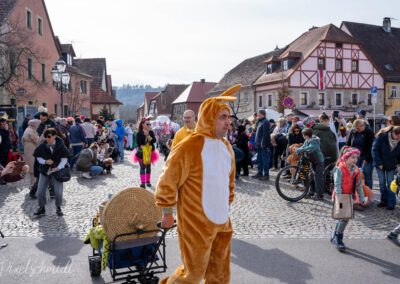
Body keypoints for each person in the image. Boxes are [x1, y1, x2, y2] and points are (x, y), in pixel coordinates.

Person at [155, 84, 240, 283]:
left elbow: (229, 181)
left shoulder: (227, 147)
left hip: (222, 222)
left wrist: (227, 203)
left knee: (219, 275)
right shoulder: (189, 147)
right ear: (210, 118)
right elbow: (167, 181)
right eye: (222, 117)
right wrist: (167, 212)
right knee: (192, 274)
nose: (228, 122)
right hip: (196, 222)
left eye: (229, 117)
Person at [330, 146, 366, 252]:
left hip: (349, 196)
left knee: (344, 218)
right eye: (352, 157)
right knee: (344, 218)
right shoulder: (339, 169)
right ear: (346, 158)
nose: (355, 159)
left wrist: (362, 198)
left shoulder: (357, 170)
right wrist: (339, 198)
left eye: (356, 157)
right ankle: (338, 238)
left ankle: (335, 236)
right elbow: (337, 185)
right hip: (341, 196)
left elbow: (359, 185)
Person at [33, 128, 70, 217]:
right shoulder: (42, 146)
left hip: (57, 171)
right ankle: (41, 208)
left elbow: (64, 159)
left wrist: (58, 168)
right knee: (40, 192)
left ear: (54, 136)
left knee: (58, 192)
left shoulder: (61, 146)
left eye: (49, 136)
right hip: (45, 171)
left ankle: (58, 207)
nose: (47, 138)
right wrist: (45, 162)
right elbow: (38, 157)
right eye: (46, 136)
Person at [372, 125, 400, 210]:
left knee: (391, 183)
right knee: (382, 183)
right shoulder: (382, 137)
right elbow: (375, 150)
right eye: (398, 136)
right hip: (380, 163)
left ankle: (391, 202)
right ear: (393, 133)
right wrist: (379, 163)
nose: (399, 138)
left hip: (391, 165)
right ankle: (383, 201)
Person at [296, 128, 325, 200]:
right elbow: (304, 146)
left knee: (318, 177)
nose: (302, 136)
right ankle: (311, 192)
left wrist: (300, 149)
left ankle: (320, 195)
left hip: (318, 161)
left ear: (306, 135)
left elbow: (311, 148)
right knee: (311, 177)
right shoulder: (307, 140)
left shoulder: (314, 141)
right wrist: (299, 149)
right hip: (312, 161)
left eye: (303, 135)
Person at [346, 119, 374, 189]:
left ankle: (368, 194)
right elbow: (348, 144)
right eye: (355, 128)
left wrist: (365, 158)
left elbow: (370, 146)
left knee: (367, 176)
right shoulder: (353, 131)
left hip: (367, 158)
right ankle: (356, 194)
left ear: (363, 126)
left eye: (358, 128)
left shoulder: (369, 132)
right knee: (355, 176)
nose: (356, 130)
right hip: (354, 157)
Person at [134, 118, 157, 188]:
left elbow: (154, 141)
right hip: (142, 153)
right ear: (142, 124)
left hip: (150, 153)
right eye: (147, 124)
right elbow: (139, 143)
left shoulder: (151, 132)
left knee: (148, 167)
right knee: (142, 167)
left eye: (149, 124)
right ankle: (143, 182)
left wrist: (148, 135)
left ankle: (148, 181)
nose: (149, 125)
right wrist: (144, 148)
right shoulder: (139, 133)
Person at [253, 109, 271, 180]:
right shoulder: (260, 122)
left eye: (258, 114)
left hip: (263, 145)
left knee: (265, 160)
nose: (257, 115)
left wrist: (263, 144)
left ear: (262, 114)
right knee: (259, 160)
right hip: (258, 145)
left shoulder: (265, 122)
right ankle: (259, 173)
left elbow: (265, 134)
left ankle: (266, 175)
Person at [22, 119, 41, 187]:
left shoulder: (30, 129)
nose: (38, 126)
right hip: (30, 149)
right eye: (38, 124)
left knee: (33, 166)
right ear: (34, 125)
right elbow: (36, 140)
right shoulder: (30, 130)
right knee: (32, 166)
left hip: (31, 148)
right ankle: (33, 184)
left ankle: (34, 183)